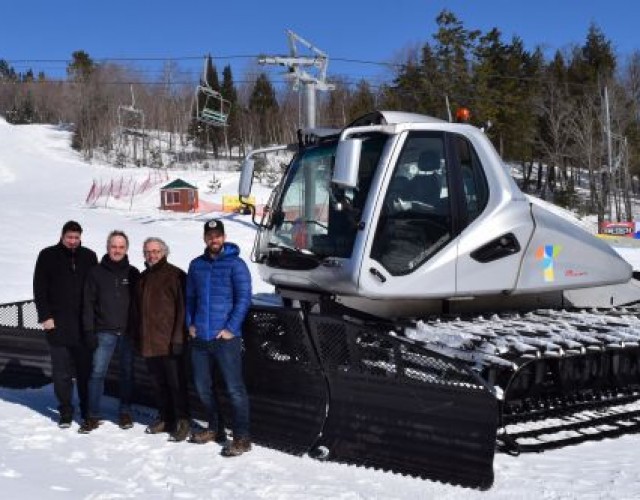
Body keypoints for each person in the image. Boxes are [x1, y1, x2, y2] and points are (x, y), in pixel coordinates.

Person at [186, 218, 253, 456]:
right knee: (203, 387)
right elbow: (190, 298)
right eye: (209, 236)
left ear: (223, 237)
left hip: (225, 339)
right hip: (200, 338)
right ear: (204, 238)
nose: (213, 239)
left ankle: (243, 437)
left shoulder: (236, 265)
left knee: (234, 389)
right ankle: (215, 429)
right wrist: (190, 324)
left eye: (217, 235)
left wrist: (231, 329)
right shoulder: (196, 265)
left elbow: (244, 299)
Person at [33, 221, 98, 428]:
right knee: (61, 372)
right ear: (62, 236)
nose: (73, 241)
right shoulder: (47, 255)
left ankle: (87, 410)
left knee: (84, 371)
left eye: (76, 238)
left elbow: (94, 289)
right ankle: (66, 411)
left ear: (81, 237)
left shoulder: (89, 256)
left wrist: (94, 319)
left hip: (83, 325)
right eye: (69, 237)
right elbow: (39, 288)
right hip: (57, 324)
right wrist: (45, 317)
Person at [80, 230, 139, 433]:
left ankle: (125, 412)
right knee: (97, 374)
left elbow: (139, 305)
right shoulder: (95, 272)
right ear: (107, 247)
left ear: (126, 249)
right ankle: (93, 415)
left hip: (127, 333)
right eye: (114, 246)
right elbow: (87, 304)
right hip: (103, 332)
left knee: (127, 374)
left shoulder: (133, 272)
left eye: (121, 247)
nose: (117, 250)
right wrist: (89, 331)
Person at [137, 237, 190, 442]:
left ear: (164, 252)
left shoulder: (176, 276)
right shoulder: (142, 279)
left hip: (170, 343)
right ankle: (166, 418)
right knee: (159, 384)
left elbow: (183, 310)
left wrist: (178, 339)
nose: (152, 255)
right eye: (148, 252)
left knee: (177, 384)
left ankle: (183, 420)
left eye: (156, 251)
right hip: (149, 343)